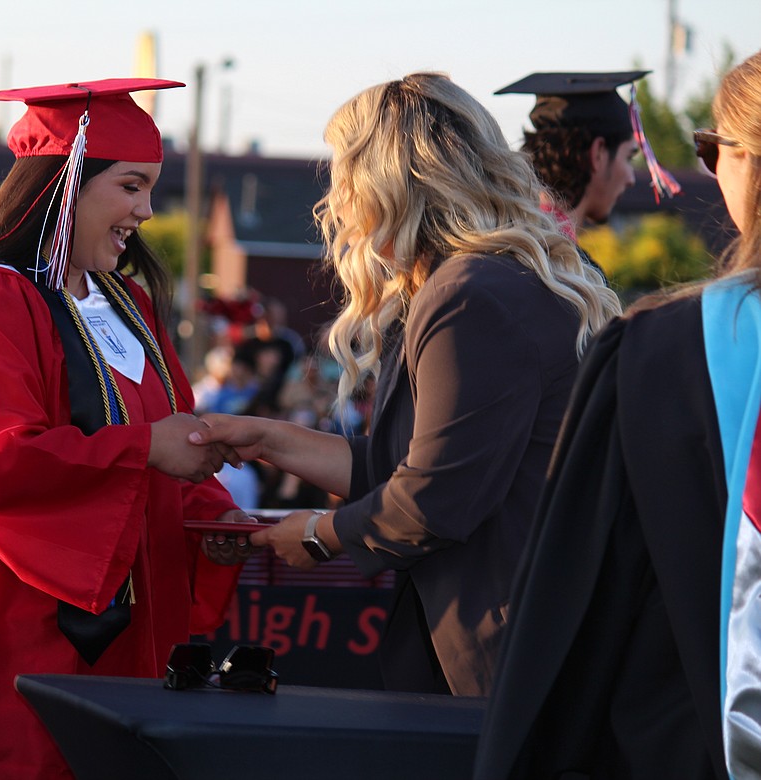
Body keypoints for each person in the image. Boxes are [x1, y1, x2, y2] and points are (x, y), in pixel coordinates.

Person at [0, 78, 249, 779]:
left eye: (151, 189)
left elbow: (170, 443)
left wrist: (217, 521)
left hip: (118, 627)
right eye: (130, 186)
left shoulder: (127, 307)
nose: (146, 211)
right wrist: (147, 450)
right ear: (67, 182)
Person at [190, 72, 621, 696]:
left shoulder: (470, 294)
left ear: (384, 180)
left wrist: (319, 534)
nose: (333, 203)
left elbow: (438, 496)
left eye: (343, 173)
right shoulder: (470, 281)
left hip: (514, 645)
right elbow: (406, 465)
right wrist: (267, 438)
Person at [474, 51, 761, 780]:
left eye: (709, 149)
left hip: (688, 738)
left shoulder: (666, 353)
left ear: (746, 166)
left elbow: (584, 609)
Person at [495, 70, 680, 241]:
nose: (631, 178)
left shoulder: (509, 238)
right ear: (598, 153)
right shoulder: (558, 257)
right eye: (628, 158)